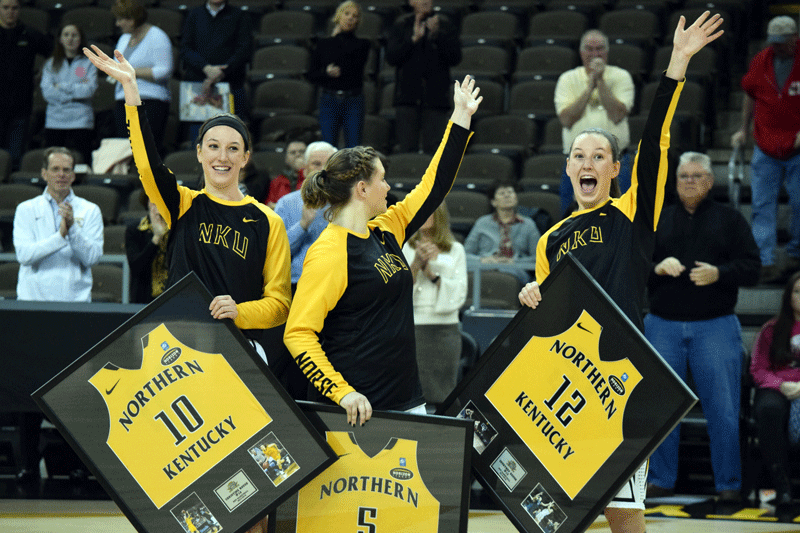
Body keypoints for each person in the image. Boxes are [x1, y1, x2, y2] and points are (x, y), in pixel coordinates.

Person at [518, 13, 723, 533]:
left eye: (600, 155)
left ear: (614, 169)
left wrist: (676, 65)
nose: (588, 162)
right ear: (568, 169)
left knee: (625, 520)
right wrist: (532, 298)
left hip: (622, 389)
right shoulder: (550, 239)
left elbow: (655, 140)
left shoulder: (632, 212)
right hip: (564, 391)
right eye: (579, 155)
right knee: (556, 518)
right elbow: (546, 325)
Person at [283, 75, 481, 426]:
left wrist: (460, 119)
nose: (389, 187)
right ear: (362, 188)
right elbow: (299, 334)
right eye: (383, 179)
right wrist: (341, 391)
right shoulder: (329, 252)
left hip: (406, 397)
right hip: (355, 409)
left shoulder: (386, 229)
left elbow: (432, 187)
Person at [85, 44, 292, 367]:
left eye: (232, 148)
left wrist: (241, 311)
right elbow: (147, 165)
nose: (222, 157)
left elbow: (279, 304)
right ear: (199, 152)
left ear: (245, 158)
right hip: (177, 348)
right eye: (213, 146)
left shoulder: (268, 221)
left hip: (239, 349)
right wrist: (131, 91)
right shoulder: (182, 203)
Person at [643, 151, 760, 502]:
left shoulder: (731, 220)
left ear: (710, 181)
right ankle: (661, 479)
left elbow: (753, 268)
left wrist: (720, 273)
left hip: (716, 326)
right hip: (662, 325)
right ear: (675, 182)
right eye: (683, 176)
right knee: (660, 408)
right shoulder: (658, 220)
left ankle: (728, 484)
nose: (690, 182)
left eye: (697, 176)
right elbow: (634, 266)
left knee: (723, 409)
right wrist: (656, 267)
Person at [732, 15, 800, 284]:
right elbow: (751, 95)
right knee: (761, 206)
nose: (778, 48)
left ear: (795, 38)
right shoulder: (762, 60)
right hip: (766, 144)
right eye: (775, 43)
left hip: (797, 146)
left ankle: (795, 256)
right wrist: (743, 129)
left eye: (783, 43)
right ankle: (765, 262)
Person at [555, 29, 635, 218]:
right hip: (576, 164)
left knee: (619, 219)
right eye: (589, 49)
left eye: (599, 49)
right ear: (581, 53)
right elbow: (566, 119)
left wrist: (600, 81)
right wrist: (589, 86)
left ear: (607, 52)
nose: (594, 54)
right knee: (571, 221)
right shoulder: (567, 79)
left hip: (616, 164)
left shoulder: (621, 76)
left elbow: (617, 114)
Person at [13, 147, 104, 302]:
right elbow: (24, 255)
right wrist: (60, 236)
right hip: (32, 301)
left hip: (75, 301)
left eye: (66, 170)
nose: (61, 174)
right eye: (55, 169)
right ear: (44, 174)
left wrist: (72, 230)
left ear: (73, 176)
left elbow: (92, 258)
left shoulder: (90, 210)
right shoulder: (26, 209)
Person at [402, 202, 467, 407]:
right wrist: (416, 264)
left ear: (437, 215)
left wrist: (431, 274)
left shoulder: (455, 249)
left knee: (443, 389)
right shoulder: (405, 246)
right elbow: (398, 288)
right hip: (412, 325)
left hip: (444, 328)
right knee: (411, 389)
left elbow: (460, 291)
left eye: (427, 211)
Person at [750, 270, 800, 507]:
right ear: (788, 296)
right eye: (797, 292)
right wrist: (782, 385)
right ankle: (783, 487)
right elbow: (758, 369)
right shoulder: (772, 328)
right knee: (768, 409)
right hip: (777, 387)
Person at [385, 0, 462, 154]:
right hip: (407, 98)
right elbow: (392, 58)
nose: (426, 1)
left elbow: (455, 58)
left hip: (436, 99)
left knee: (435, 151)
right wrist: (412, 40)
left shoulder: (445, 25)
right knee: (406, 148)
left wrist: (437, 35)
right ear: (411, 2)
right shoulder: (402, 26)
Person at [111, 0, 173, 152]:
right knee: (124, 150)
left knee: (147, 151)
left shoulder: (157, 36)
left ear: (132, 19)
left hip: (150, 102)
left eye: (121, 19)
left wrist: (132, 71)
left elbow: (164, 70)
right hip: (123, 100)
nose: (117, 24)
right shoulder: (124, 38)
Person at [308, 1, 370, 149]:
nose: (350, 18)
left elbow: (350, 68)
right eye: (347, 14)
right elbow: (312, 74)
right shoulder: (323, 44)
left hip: (353, 100)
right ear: (338, 16)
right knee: (327, 147)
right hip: (329, 100)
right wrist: (326, 73)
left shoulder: (362, 44)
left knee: (353, 148)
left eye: (355, 16)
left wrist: (335, 39)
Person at [180, 0, 253, 127]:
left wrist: (222, 72)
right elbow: (185, 49)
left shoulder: (240, 15)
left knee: (231, 131)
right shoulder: (193, 15)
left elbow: (244, 50)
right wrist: (206, 68)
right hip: (198, 85)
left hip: (231, 85)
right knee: (199, 136)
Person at [274, 141, 337, 289]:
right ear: (305, 170)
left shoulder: (346, 204)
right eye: (316, 164)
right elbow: (276, 253)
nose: (323, 170)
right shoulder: (286, 203)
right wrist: (302, 225)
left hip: (336, 283)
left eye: (328, 165)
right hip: (298, 284)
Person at [0, 0, 52, 169]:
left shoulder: (29, 34)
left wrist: (43, 73)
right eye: (6, 8)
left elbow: (54, 52)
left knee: (15, 156)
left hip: (21, 104)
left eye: (14, 8)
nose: (10, 12)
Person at [40, 23, 98, 166]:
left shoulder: (88, 63)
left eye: (74, 35)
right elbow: (47, 93)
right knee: (54, 162)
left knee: (81, 161)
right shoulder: (50, 64)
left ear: (80, 39)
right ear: (60, 39)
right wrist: (74, 93)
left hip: (81, 119)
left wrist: (62, 86)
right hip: (55, 119)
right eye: (66, 35)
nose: (70, 39)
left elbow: (89, 90)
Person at [464, 178, 540, 284]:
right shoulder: (482, 223)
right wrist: (482, 260)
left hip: (515, 272)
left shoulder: (528, 224)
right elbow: (464, 255)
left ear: (516, 198)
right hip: (485, 268)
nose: (507, 195)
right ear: (493, 202)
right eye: (501, 193)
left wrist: (514, 261)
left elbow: (538, 258)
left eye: (510, 192)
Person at [125, 190, 169, 304]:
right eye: (154, 202)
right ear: (148, 204)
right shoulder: (135, 230)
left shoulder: (178, 229)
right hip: (143, 300)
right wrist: (156, 238)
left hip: (172, 301)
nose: (158, 207)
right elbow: (136, 268)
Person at [265, 140, 308, 209]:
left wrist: (303, 171)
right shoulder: (277, 181)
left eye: (302, 152)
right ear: (286, 159)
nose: (298, 155)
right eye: (293, 153)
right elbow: (269, 206)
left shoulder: (312, 177)